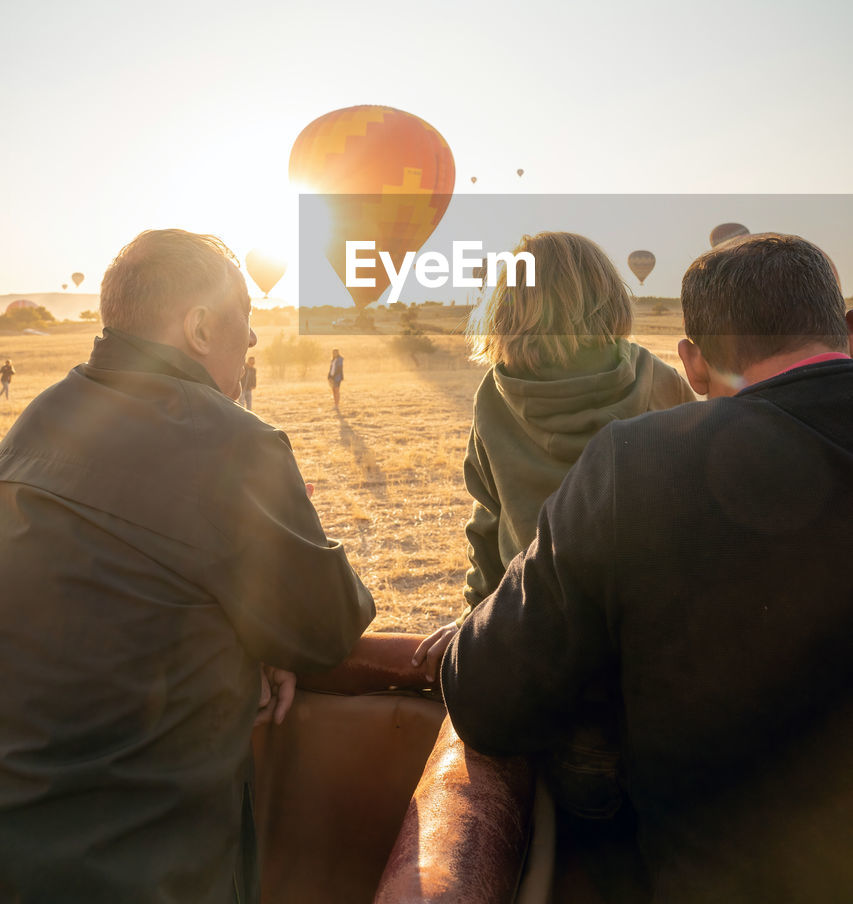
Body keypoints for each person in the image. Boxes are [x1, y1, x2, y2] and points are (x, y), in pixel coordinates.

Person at [442, 233, 853, 904]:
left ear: (694, 364)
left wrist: (474, 612)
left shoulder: (619, 455)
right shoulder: (653, 392)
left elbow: (484, 676)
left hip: (607, 744)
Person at [0, 229, 375, 903]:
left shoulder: (37, 420)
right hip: (148, 862)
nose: (251, 348)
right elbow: (325, 628)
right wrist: (260, 632)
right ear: (200, 326)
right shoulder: (230, 442)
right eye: (247, 327)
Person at [414, 231, 693, 692]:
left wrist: (474, 618)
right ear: (606, 295)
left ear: (508, 307)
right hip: (650, 646)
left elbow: (486, 525)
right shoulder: (659, 378)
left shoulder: (494, 395)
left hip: (535, 645)